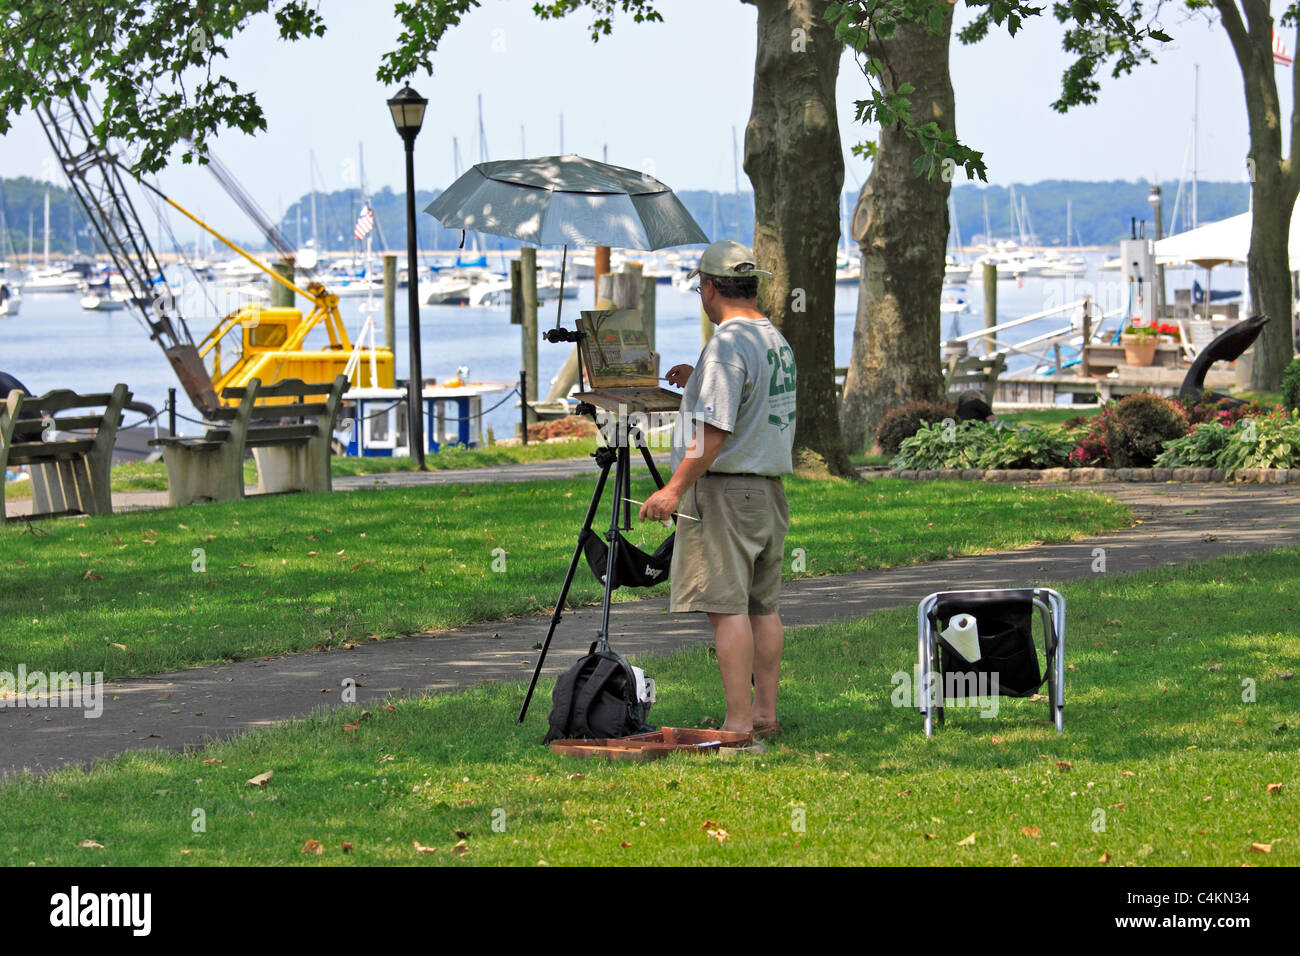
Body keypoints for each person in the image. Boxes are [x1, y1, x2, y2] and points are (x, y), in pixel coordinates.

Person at [637, 240, 796, 740]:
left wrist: (674, 489)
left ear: (708, 288)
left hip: (727, 493)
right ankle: (764, 715)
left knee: (726, 608)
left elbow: (716, 430)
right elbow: (750, 403)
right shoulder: (773, 338)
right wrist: (695, 383)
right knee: (761, 606)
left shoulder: (727, 345)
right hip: (767, 490)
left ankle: (737, 723)